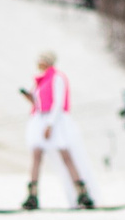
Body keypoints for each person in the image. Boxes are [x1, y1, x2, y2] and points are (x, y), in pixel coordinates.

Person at [20, 51, 97, 209]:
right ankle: (32, 195)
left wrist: (50, 124)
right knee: (36, 155)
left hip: (54, 120)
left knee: (65, 155)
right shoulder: (40, 81)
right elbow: (39, 102)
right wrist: (30, 98)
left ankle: (82, 193)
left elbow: (58, 103)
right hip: (40, 119)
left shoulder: (57, 77)